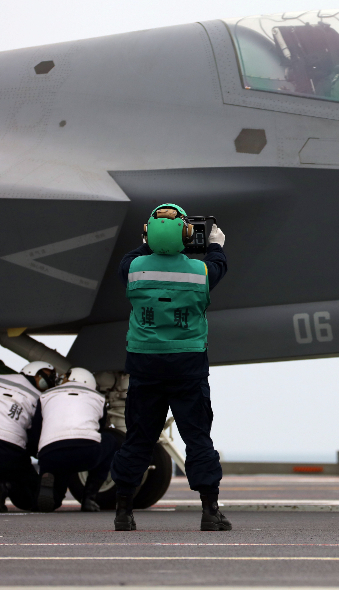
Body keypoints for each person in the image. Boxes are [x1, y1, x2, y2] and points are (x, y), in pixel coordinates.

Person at [109, 203, 229, 531]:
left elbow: (136, 254)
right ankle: (209, 511)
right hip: (188, 365)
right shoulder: (199, 273)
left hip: (145, 364)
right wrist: (215, 242)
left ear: (147, 234)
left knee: (138, 437)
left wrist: (151, 238)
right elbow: (219, 263)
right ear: (186, 233)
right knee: (197, 437)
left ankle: (123, 512)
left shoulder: (133, 269)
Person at [0, 361, 58, 512]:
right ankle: (5, 486)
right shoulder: (39, 397)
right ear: (34, 373)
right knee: (31, 497)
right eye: (49, 376)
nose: (51, 380)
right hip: (9, 452)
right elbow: (35, 437)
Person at [35, 367, 118, 512]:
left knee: (55, 498)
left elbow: (36, 427)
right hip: (85, 452)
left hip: (51, 453)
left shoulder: (45, 395)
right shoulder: (98, 398)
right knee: (110, 440)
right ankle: (89, 499)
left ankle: (48, 482)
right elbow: (100, 429)